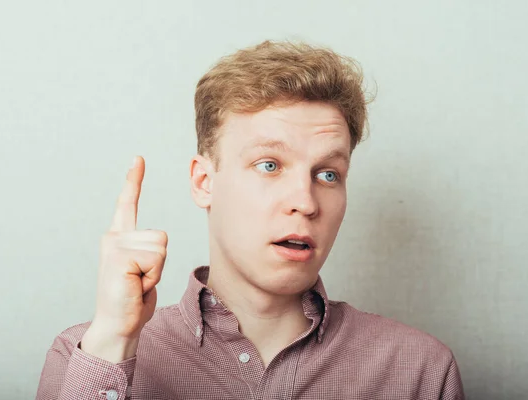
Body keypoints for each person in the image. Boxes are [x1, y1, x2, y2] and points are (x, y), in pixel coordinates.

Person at [36, 40, 465, 400]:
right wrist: (113, 339)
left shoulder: (419, 372)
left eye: (328, 174)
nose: (306, 202)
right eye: (269, 165)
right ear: (204, 181)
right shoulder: (85, 356)